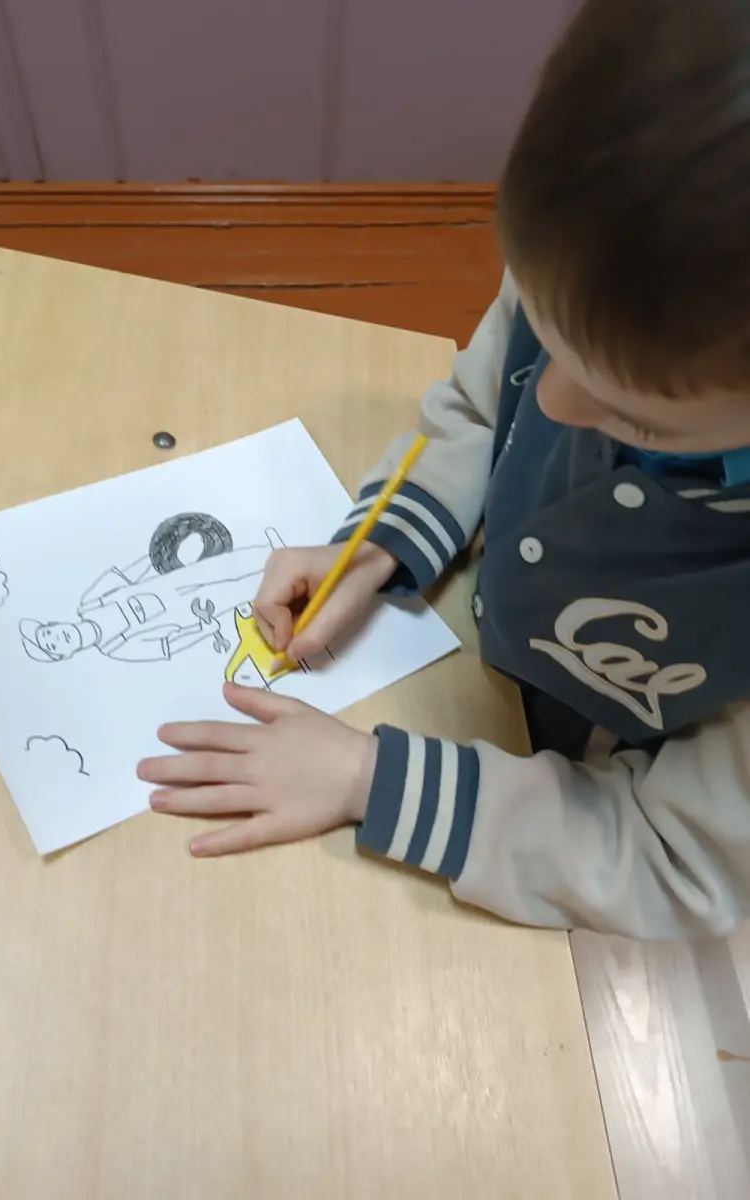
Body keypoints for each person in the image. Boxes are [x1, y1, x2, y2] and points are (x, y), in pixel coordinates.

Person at [137, 0, 750, 939]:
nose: (549, 405)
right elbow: (479, 405)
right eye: (540, 330)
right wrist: (384, 540)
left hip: (576, 828)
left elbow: (673, 857)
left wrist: (367, 778)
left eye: (636, 419)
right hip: (482, 676)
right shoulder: (600, 267)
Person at [20, 539, 278, 664]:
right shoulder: (115, 648)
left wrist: (157, 556)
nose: (56, 638)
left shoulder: (91, 602)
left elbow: (126, 575)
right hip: (189, 613)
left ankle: (274, 551)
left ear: (54, 624)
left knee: (219, 566)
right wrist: (202, 630)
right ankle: (286, 578)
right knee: (235, 593)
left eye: (48, 633)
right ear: (65, 654)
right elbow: (167, 646)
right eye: (52, 646)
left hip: (168, 582)